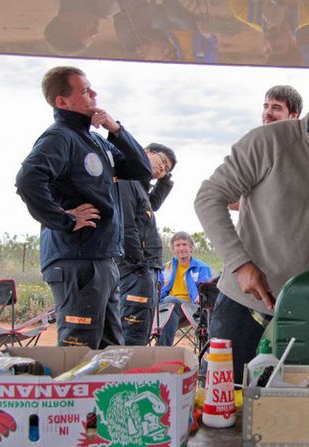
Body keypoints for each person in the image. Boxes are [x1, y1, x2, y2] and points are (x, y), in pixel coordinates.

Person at [195, 67, 309, 383]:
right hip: (241, 309)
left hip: (306, 314)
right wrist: (241, 264)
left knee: (296, 411)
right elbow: (208, 198)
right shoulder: (268, 141)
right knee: (226, 408)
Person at [16, 66, 152, 349]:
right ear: (62, 102)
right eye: (84, 90)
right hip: (76, 260)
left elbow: (141, 169)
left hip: (102, 258)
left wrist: (117, 130)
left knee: (109, 349)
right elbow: (29, 179)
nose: (94, 94)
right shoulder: (60, 137)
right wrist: (64, 219)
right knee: (78, 349)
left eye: (92, 88)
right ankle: (69, 394)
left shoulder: (93, 140)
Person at [117, 143, 177, 345]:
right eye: (162, 162)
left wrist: (166, 178)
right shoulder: (127, 179)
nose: (162, 169)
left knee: (141, 328)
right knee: (132, 329)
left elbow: (155, 204)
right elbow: (126, 225)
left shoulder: (140, 186)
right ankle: (127, 374)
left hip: (145, 267)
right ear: (145, 152)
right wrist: (139, 263)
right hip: (136, 266)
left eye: (166, 169)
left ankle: (131, 371)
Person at [229, 84, 303, 211]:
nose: (268, 113)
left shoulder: (303, 153)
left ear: (293, 115)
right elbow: (229, 199)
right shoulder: (253, 149)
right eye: (266, 106)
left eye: (276, 108)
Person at [158, 231, 213, 346]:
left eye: (184, 244)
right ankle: (158, 351)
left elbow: (208, 290)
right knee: (168, 304)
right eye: (178, 245)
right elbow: (157, 288)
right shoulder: (165, 268)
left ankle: (163, 350)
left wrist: (201, 295)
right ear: (173, 249)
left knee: (170, 301)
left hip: (192, 309)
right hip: (167, 308)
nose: (181, 248)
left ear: (191, 247)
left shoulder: (202, 268)